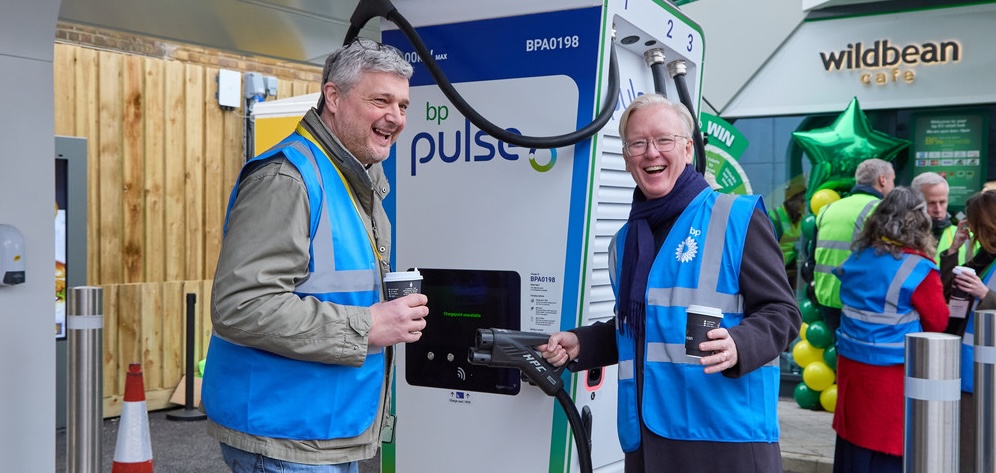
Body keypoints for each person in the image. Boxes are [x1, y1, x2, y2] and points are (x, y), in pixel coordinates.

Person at [201, 38, 430, 473]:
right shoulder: (287, 178)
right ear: (333, 97)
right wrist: (369, 324)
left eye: (402, 105)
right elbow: (241, 307)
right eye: (380, 100)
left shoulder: (351, 177)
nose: (395, 117)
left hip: (322, 431)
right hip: (285, 439)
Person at [539, 94, 801, 473]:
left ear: (688, 148)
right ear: (627, 157)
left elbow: (783, 313)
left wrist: (739, 344)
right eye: (638, 143)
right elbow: (643, 329)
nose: (651, 153)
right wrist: (584, 343)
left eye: (663, 140)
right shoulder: (625, 242)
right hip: (648, 443)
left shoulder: (737, 217)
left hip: (724, 441)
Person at [830, 186, 948, 473]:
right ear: (919, 222)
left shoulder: (857, 258)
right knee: (886, 451)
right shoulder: (919, 268)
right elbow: (939, 322)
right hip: (892, 374)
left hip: (852, 369)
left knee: (853, 443)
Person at [938, 191, 996, 473]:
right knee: (966, 443)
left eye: (973, 226)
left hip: (987, 373)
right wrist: (953, 250)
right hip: (968, 365)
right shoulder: (984, 256)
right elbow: (947, 293)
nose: (969, 231)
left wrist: (987, 295)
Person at [811, 158, 896, 332]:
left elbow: (812, 256)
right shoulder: (881, 210)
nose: (893, 186)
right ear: (882, 180)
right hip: (860, 300)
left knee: (840, 352)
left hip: (826, 298)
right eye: (893, 180)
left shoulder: (827, 209)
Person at [911, 171, 976, 264]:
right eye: (931, 203)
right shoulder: (902, 236)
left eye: (942, 202)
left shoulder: (966, 236)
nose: (938, 209)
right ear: (915, 202)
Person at [769, 176, 807, 290]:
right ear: (791, 200)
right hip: (773, 270)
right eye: (801, 201)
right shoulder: (774, 217)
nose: (803, 204)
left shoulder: (802, 219)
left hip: (790, 270)